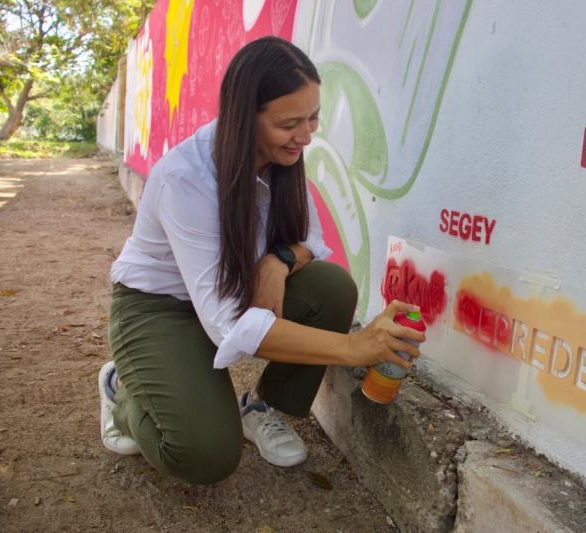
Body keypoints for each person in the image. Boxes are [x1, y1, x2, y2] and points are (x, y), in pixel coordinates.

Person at [98, 36, 424, 485]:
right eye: (289, 123)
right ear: (244, 118)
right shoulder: (185, 178)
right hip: (158, 308)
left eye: (313, 117)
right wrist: (355, 348)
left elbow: (311, 237)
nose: (306, 135)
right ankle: (123, 390)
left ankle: (260, 407)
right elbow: (226, 324)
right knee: (206, 455)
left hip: (229, 290)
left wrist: (279, 261)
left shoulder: (280, 155)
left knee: (331, 287)